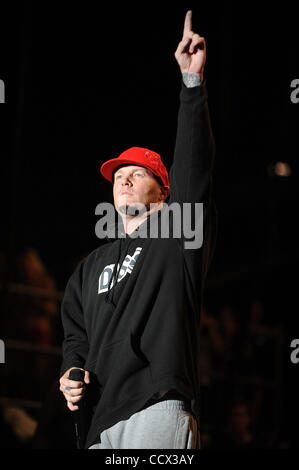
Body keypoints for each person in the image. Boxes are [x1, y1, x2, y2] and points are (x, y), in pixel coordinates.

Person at [59, 10, 215, 449]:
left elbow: (193, 167)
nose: (123, 179)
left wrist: (191, 86)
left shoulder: (176, 236)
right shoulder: (88, 269)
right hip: (98, 422)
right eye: (117, 175)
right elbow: (76, 333)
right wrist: (71, 369)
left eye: (137, 173)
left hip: (156, 406)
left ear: (164, 193)